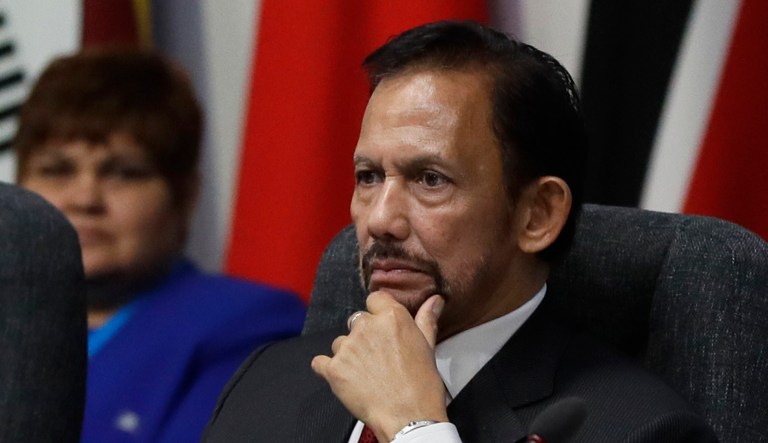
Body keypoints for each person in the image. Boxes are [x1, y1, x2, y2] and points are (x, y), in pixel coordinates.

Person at [202, 21, 717, 442]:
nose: (380, 219)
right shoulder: (268, 382)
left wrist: (416, 429)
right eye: (368, 177)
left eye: (430, 179)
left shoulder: (639, 430)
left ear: (537, 214)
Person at [15, 48, 306, 442]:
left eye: (123, 173)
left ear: (184, 197)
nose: (85, 198)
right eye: (57, 170)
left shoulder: (252, 330)